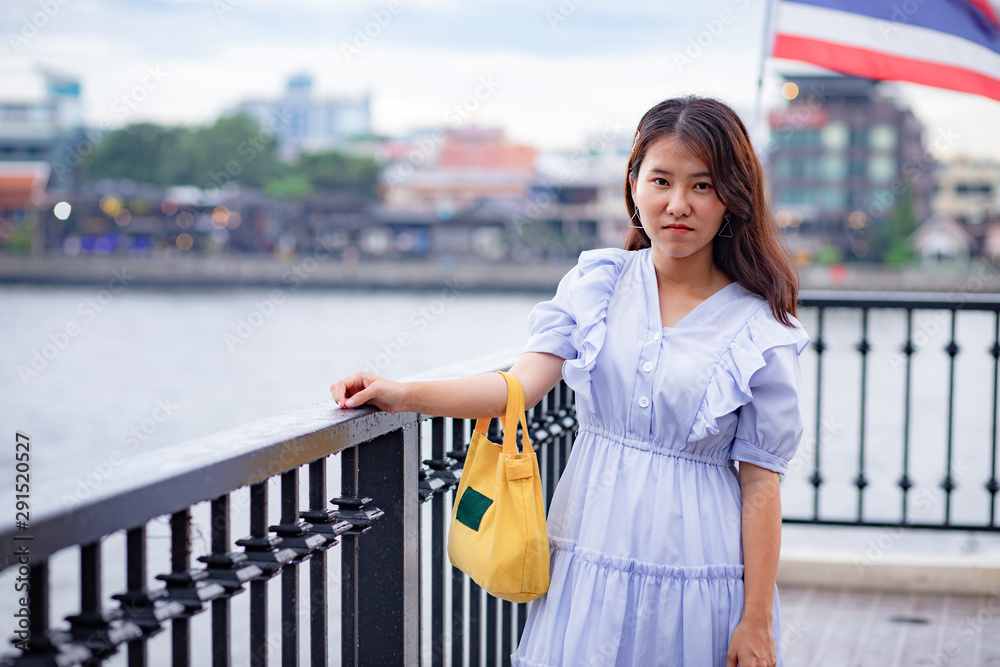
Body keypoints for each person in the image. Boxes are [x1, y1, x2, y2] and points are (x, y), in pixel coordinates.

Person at [331, 95, 808, 667]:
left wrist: (755, 621)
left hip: (699, 563)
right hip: (591, 541)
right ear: (633, 184)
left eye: (702, 186)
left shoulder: (758, 327)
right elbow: (516, 388)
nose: (678, 204)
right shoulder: (599, 285)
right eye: (661, 180)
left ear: (733, 197)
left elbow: (761, 485)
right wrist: (401, 392)